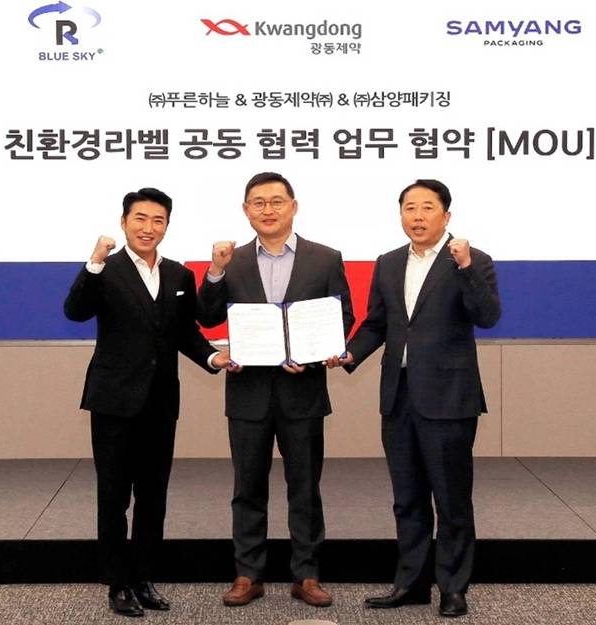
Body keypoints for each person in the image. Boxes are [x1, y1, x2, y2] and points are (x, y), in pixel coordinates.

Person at [329, 179, 500, 617]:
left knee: (451, 499)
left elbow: (487, 315)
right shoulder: (388, 263)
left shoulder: (471, 260)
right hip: (399, 396)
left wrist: (465, 267)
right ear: (400, 214)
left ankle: (453, 588)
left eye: (427, 207)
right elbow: (377, 323)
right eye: (410, 207)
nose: (418, 216)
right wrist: (349, 353)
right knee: (407, 498)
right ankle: (411, 584)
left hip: (449, 398)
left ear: (446, 215)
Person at [64, 187, 232, 617]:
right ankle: (117, 583)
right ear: (124, 222)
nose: (148, 228)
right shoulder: (107, 269)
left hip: (160, 403)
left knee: (153, 496)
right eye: (140, 218)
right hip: (114, 402)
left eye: (158, 220)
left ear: (167, 226)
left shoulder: (178, 275)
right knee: (113, 496)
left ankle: (143, 578)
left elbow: (188, 331)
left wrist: (212, 357)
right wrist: (94, 261)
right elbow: (75, 310)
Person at [198, 172, 354, 608]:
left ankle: (307, 574)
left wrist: (317, 353)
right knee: (247, 488)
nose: (268, 209)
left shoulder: (325, 258)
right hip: (247, 393)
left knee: (305, 488)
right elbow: (207, 317)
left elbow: (342, 317)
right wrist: (214, 272)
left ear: (293, 206)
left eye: (276, 201)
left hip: (303, 391)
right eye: (258, 202)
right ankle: (248, 574)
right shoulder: (231, 261)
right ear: (246, 210)